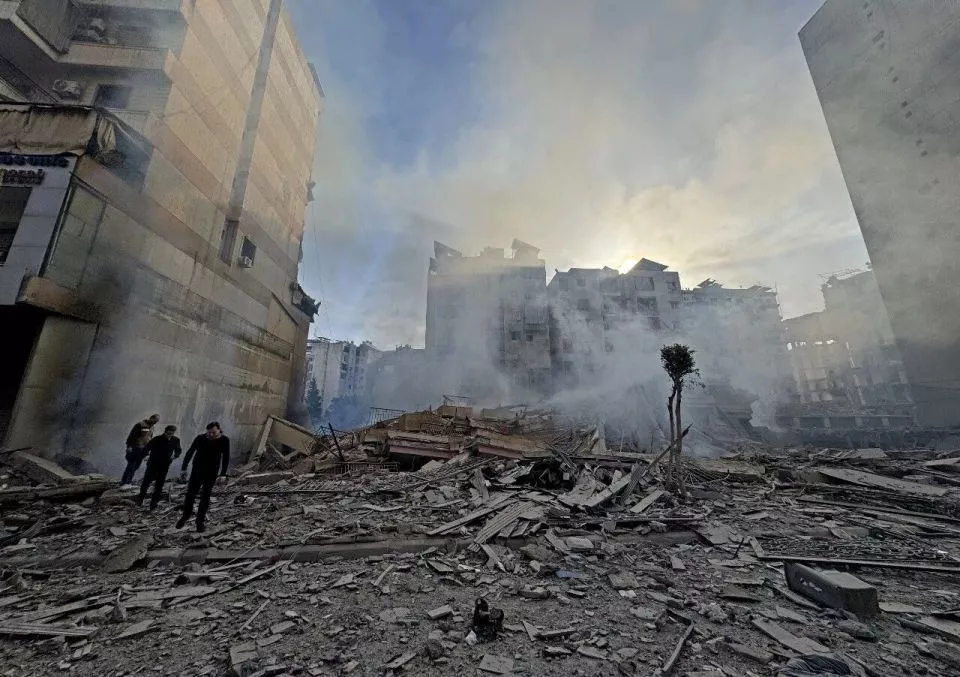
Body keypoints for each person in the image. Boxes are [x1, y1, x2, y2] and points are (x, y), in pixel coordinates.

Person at [176, 421, 230, 532]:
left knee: (205, 496)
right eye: (209, 432)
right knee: (190, 494)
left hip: (212, 472)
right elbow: (190, 452)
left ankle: (199, 522)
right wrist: (184, 468)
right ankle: (186, 515)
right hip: (197, 470)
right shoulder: (200, 438)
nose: (210, 435)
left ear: (219, 430)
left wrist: (223, 474)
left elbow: (226, 457)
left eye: (213, 432)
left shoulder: (224, 440)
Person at [137, 425, 182, 510]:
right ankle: (140, 500)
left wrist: (175, 456)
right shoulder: (157, 439)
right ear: (165, 431)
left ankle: (153, 505)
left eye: (172, 433)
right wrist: (146, 456)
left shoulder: (176, 440)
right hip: (153, 464)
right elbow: (146, 448)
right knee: (146, 482)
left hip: (164, 465)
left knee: (159, 485)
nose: (169, 435)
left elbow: (178, 450)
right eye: (168, 433)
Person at [120, 414, 160, 485]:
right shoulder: (140, 425)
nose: (155, 422)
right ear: (151, 418)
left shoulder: (152, 427)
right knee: (131, 466)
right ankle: (124, 482)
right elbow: (132, 436)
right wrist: (129, 446)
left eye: (157, 421)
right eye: (155, 420)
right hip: (135, 448)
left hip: (143, 450)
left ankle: (128, 481)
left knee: (136, 466)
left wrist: (148, 452)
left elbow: (149, 439)